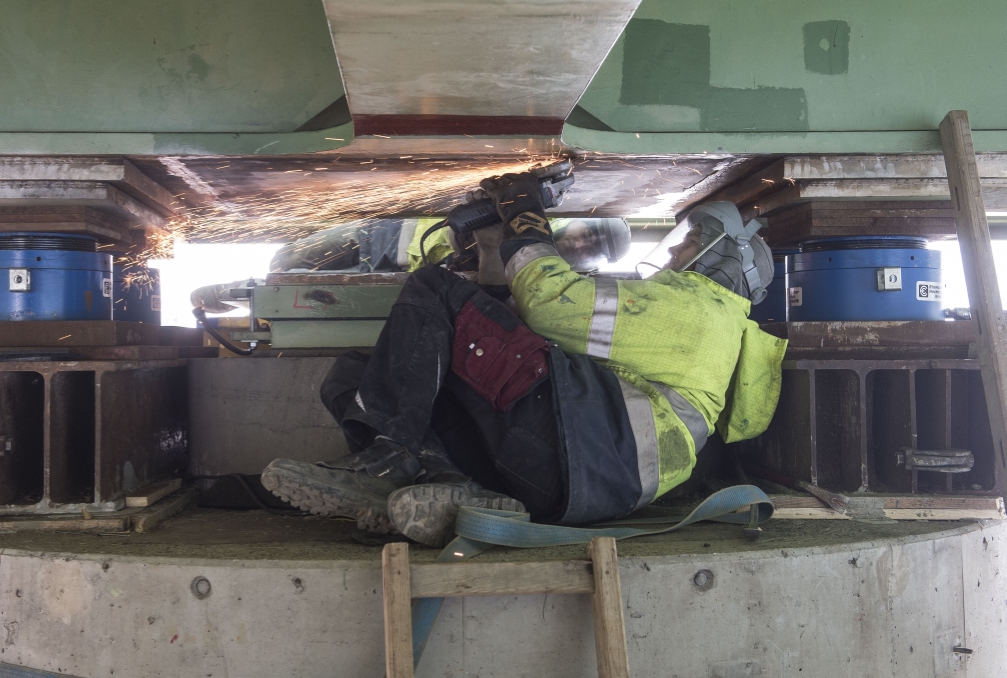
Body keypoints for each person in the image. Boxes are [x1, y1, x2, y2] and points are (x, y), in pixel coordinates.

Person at [261, 170, 787, 547]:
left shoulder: (701, 310)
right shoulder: (688, 311)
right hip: (575, 473)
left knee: (433, 287)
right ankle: (450, 485)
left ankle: (387, 461)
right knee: (359, 374)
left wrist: (527, 219)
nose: (674, 250)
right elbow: (511, 324)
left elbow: (550, 304)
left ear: (724, 257)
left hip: (592, 454)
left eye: (692, 239)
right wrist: (496, 250)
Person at [189, 216, 632, 313]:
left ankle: (237, 294)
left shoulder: (545, 273)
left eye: (595, 245)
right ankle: (241, 289)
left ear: (592, 260)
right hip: (378, 238)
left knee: (298, 294)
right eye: (590, 229)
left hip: (393, 278)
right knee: (285, 260)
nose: (585, 239)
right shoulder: (531, 215)